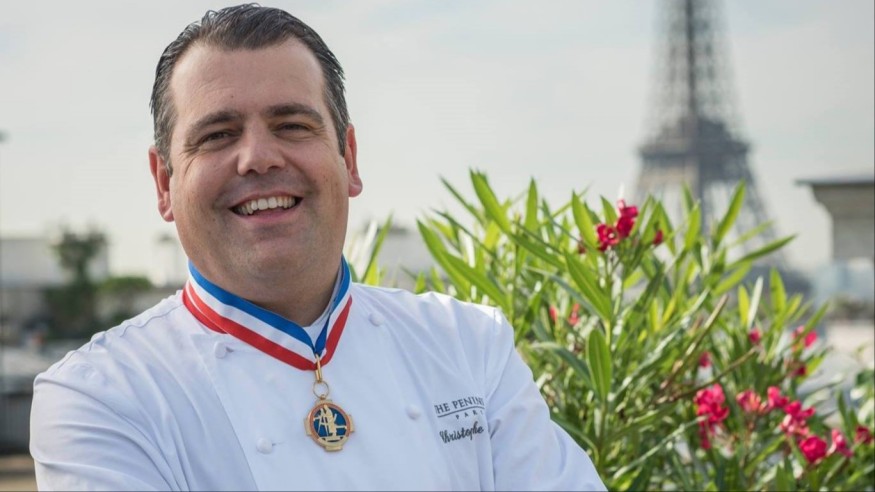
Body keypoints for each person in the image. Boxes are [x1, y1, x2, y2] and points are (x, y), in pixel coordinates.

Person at [29, 4, 606, 491]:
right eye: (218, 135)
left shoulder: (468, 344)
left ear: (349, 159)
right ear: (164, 183)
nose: (259, 158)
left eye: (292, 125)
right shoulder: (101, 398)